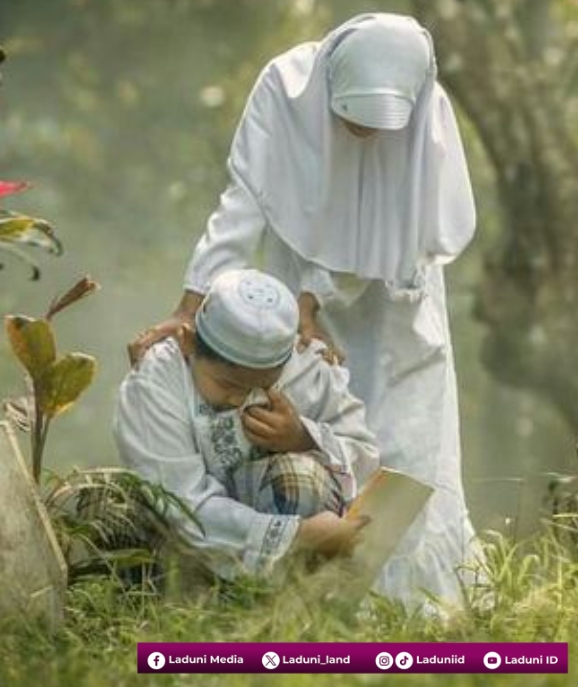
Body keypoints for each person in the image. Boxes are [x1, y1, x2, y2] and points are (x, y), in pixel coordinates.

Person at [130, 13, 479, 608]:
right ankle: (307, 606)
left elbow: (402, 228)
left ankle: (417, 608)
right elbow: (244, 202)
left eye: (380, 125)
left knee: (404, 451)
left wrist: (317, 300)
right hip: (294, 300)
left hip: (396, 303)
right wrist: (191, 306)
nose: (366, 135)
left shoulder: (426, 111)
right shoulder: (284, 90)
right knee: (298, 436)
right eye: (352, 119)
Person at [115, 269, 379, 581]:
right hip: (181, 552)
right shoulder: (157, 380)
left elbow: (365, 453)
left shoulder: (306, 365)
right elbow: (179, 500)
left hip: (297, 549)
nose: (236, 400)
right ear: (188, 343)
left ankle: (291, 618)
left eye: (261, 386)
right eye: (227, 384)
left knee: (299, 481)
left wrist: (301, 437)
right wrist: (296, 536)